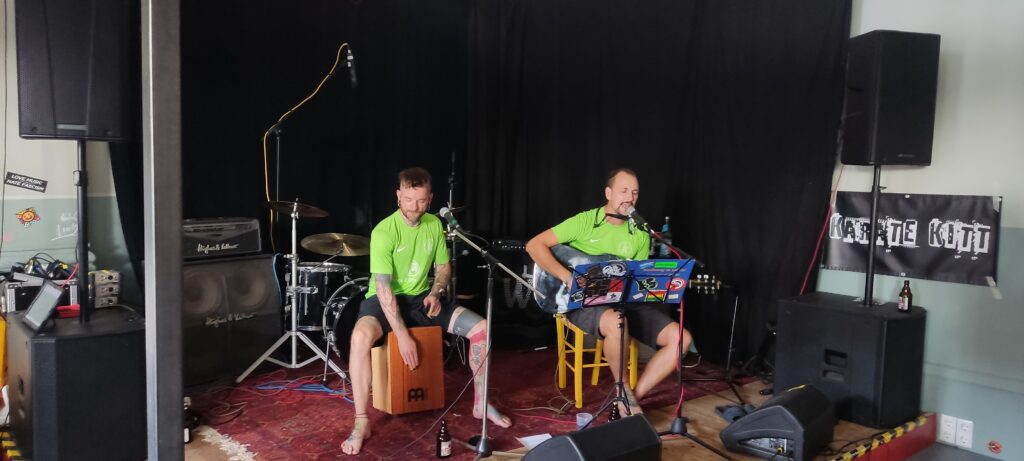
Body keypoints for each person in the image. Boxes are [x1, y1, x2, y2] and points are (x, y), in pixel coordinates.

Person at [342, 167, 512, 456]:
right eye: (408, 199)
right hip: (384, 300)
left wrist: (436, 292)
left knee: (481, 328)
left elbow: (443, 268)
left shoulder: (434, 224)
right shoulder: (384, 231)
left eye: (421, 200)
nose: (414, 207)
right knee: (360, 337)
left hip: (422, 298)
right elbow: (383, 288)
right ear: (398, 196)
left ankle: (480, 404)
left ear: (430, 198)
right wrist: (402, 335)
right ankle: (361, 421)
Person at [525, 168, 692, 414]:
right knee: (616, 322)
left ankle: (630, 399)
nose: (629, 198)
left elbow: (637, 279)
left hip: (623, 300)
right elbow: (534, 245)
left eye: (634, 192)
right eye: (623, 191)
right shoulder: (585, 221)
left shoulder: (640, 233)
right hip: (582, 301)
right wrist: (567, 277)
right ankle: (623, 392)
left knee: (681, 339)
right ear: (608, 193)